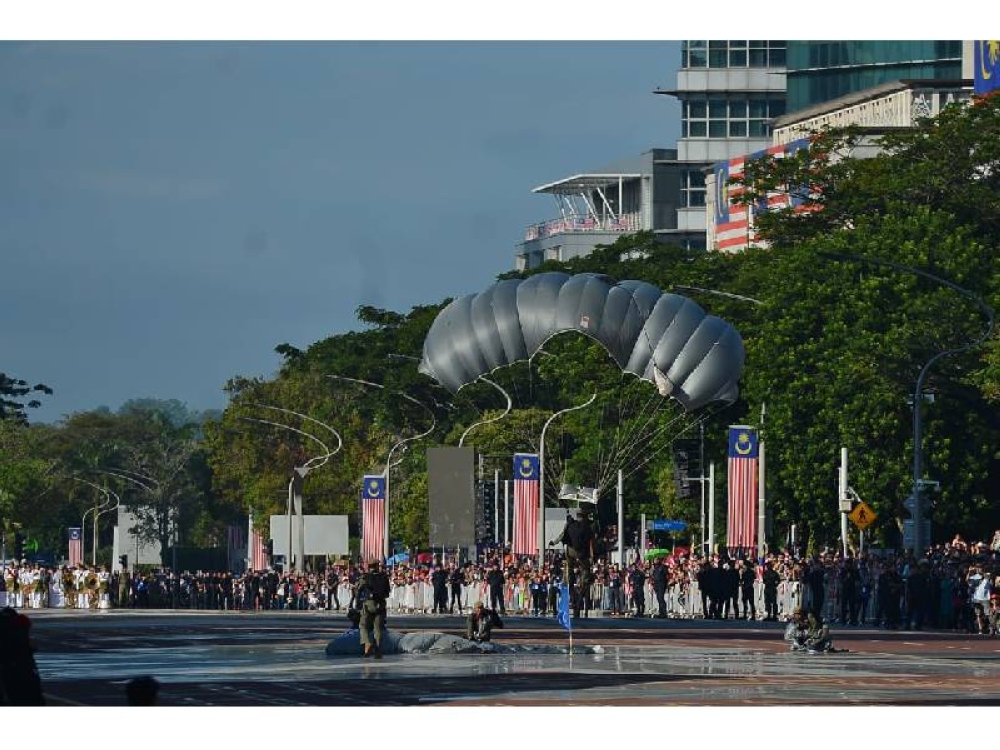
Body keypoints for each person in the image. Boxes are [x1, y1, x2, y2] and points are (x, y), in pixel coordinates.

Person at [358, 562, 391, 658]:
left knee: (363, 625)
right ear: (377, 566)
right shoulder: (384, 577)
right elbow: (387, 593)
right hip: (380, 604)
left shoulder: (365, 577)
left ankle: (367, 643)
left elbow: (359, 589)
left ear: (369, 567)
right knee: (378, 628)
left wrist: (358, 604)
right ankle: (378, 650)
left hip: (369, 603)